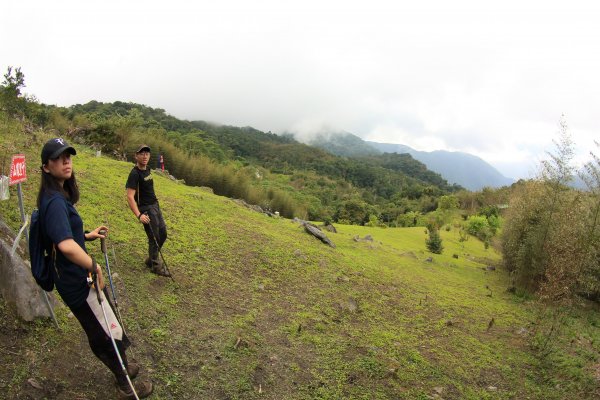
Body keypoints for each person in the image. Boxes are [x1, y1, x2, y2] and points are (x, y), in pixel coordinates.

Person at [36, 138, 153, 399]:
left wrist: (86, 236)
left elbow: (63, 236)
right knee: (102, 330)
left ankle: (121, 366)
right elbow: (65, 246)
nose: (66, 162)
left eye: (69, 156)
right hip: (75, 280)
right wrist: (94, 265)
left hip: (74, 275)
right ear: (46, 167)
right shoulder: (54, 201)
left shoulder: (56, 195)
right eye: (59, 158)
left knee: (107, 321)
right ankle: (125, 385)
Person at [125, 144, 169, 276]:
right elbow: (130, 197)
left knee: (163, 234)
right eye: (142, 153)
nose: (145, 156)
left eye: (147, 154)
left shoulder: (148, 169)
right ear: (136, 156)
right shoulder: (134, 174)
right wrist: (139, 215)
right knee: (154, 237)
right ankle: (156, 266)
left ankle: (151, 259)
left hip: (155, 206)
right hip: (146, 209)